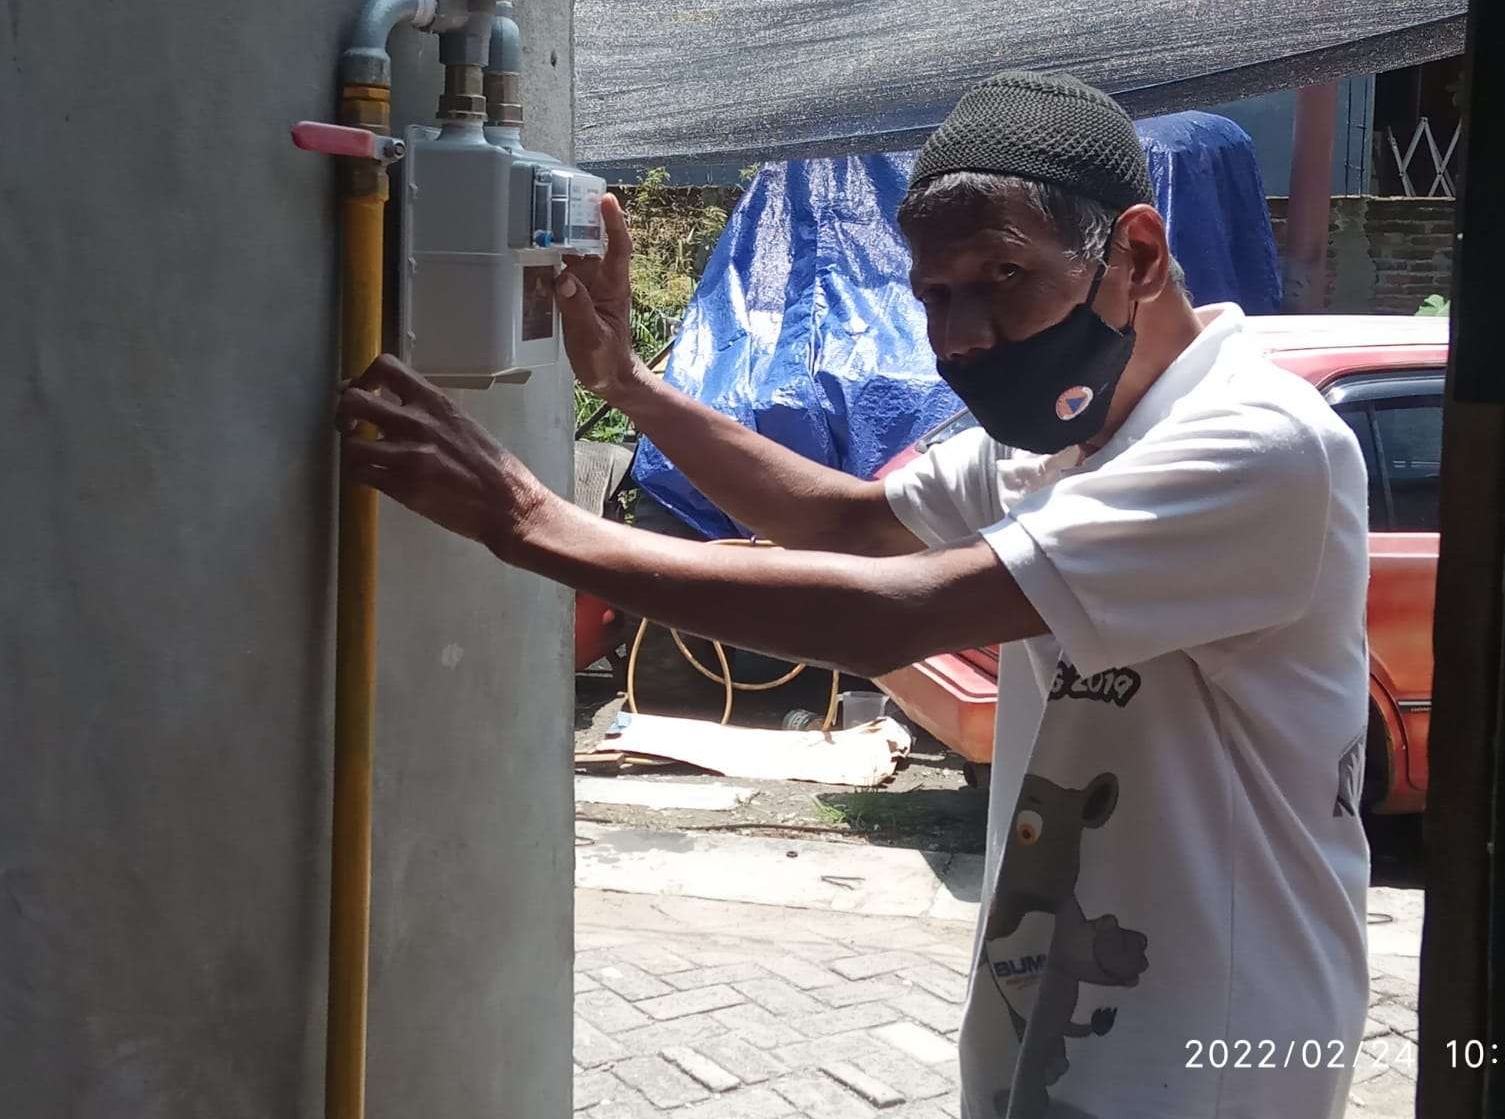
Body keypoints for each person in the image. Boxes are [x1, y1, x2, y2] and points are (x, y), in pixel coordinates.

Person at [337, 72, 1370, 1119]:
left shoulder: (1256, 444)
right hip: (1057, 1025)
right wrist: (627, 386)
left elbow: (896, 610)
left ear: (1136, 256)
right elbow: (846, 524)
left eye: (1000, 276)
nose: (958, 335)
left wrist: (532, 523)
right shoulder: (1054, 444)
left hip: (1220, 1046)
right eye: (932, 295)